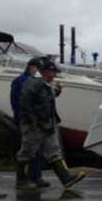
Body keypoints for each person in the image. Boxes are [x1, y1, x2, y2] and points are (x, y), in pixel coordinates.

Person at [15, 58, 87, 190]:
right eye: (53, 72)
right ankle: (21, 180)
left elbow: (47, 98)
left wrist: (57, 91)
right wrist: (32, 122)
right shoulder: (34, 83)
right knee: (28, 152)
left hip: (47, 124)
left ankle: (66, 179)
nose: (55, 75)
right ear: (46, 72)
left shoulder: (44, 84)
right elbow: (25, 104)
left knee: (53, 151)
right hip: (35, 125)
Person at [10, 57, 48, 187]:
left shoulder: (35, 81)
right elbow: (16, 102)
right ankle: (22, 179)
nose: (40, 71)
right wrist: (22, 118)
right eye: (39, 68)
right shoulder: (20, 81)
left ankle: (36, 177)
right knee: (28, 149)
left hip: (37, 121)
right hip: (27, 120)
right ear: (31, 67)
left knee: (37, 149)